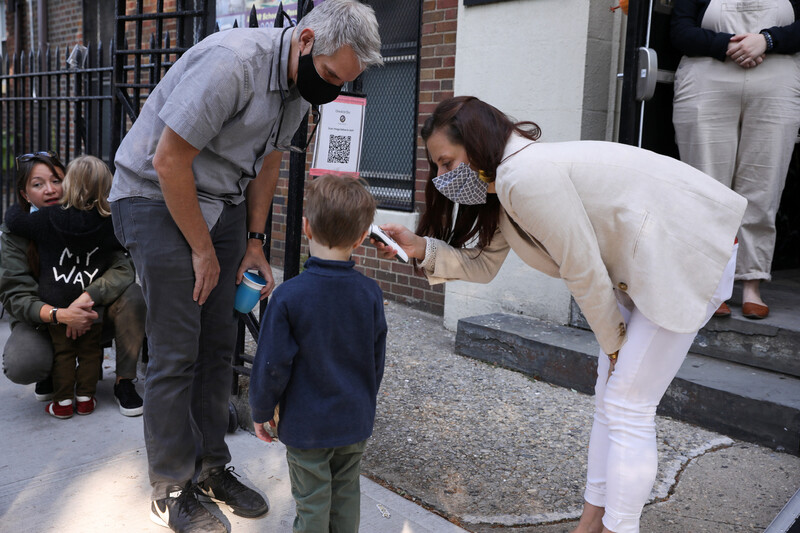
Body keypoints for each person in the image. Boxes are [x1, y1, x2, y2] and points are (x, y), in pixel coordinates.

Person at [374, 96, 746, 533]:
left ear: (474, 145)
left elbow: (582, 268)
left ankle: (618, 528)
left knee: (628, 404)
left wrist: (613, 344)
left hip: (683, 252)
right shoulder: (506, 179)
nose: (441, 177)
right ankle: (590, 523)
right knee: (613, 398)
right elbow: (484, 265)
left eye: (445, 162)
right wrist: (422, 248)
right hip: (649, 261)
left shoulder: (524, 176)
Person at [108, 1, 382, 531]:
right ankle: (170, 486)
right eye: (327, 75)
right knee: (177, 348)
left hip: (224, 201)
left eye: (341, 82)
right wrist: (202, 249)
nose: (328, 88)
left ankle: (212, 465)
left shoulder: (300, 87)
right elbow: (168, 161)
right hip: (155, 195)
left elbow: (271, 159)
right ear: (305, 39)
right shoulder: (232, 64)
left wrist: (255, 240)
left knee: (218, 341)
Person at [250, 174, 387, 533]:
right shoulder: (370, 293)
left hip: (307, 425)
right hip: (354, 418)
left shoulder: (289, 297)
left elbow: (272, 364)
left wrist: (262, 410)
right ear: (360, 238)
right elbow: (376, 359)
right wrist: (364, 402)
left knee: (312, 502)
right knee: (346, 493)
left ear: (306, 227)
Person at [671, 0, 800, 319]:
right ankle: (710, 286)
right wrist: (729, 44)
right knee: (707, 189)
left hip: (777, 81)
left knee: (763, 184)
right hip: (707, 78)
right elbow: (679, 31)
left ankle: (751, 284)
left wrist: (767, 40)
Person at [0, 151, 146, 417]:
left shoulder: (93, 222)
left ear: (69, 182)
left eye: (56, 180)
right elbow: (14, 295)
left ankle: (124, 381)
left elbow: (123, 268)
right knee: (23, 362)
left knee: (133, 295)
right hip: (44, 320)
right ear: (24, 194)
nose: (50, 190)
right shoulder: (21, 230)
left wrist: (87, 298)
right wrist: (61, 315)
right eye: (37, 184)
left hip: (91, 313)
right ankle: (50, 369)